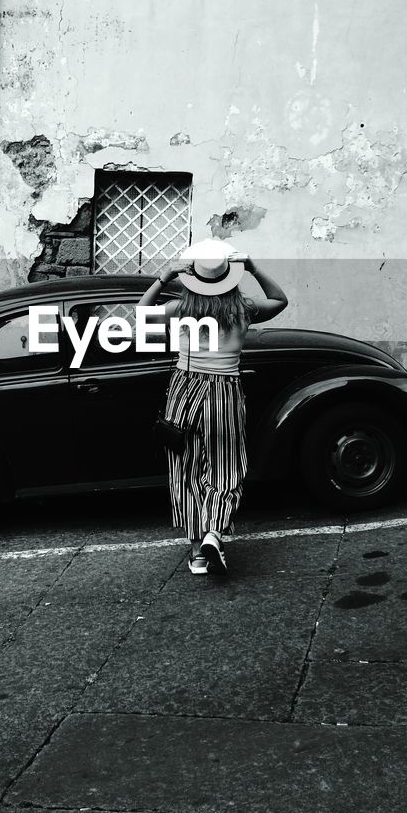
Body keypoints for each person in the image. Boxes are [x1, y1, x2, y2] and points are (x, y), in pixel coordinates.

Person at [138, 239, 289, 575]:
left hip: (184, 390)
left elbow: (142, 315)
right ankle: (213, 532)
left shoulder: (181, 308)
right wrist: (252, 267)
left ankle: (197, 553)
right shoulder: (242, 308)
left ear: (193, 276)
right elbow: (280, 300)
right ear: (228, 275)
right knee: (226, 466)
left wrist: (165, 276)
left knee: (187, 468)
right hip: (226, 392)